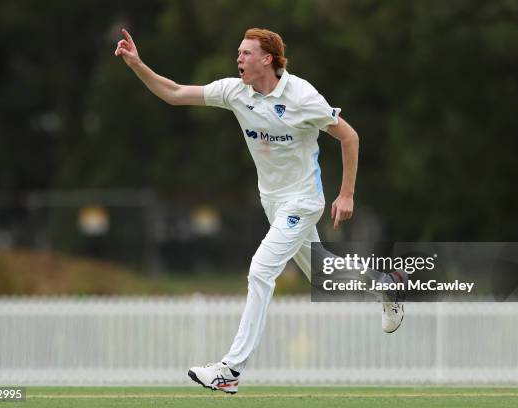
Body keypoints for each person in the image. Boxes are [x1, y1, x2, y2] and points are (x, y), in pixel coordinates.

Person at [114, 27, 404, 394]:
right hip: (274, 203)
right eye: (238, 53)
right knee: (321, 273)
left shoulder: (302, 96)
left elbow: (350, 136)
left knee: (261, 270)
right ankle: (386, 286)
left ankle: (230, 370)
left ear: (267, 59)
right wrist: (137, 64)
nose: (239, 59)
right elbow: (173, 93)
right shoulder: (235, 92)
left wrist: (346, 194)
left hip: (303, 201)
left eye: (246, 53)